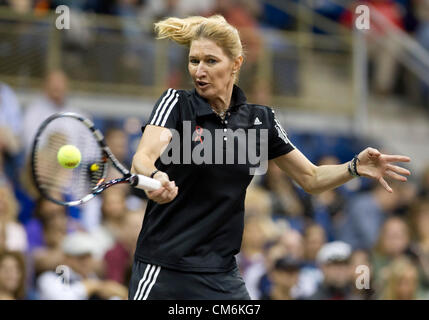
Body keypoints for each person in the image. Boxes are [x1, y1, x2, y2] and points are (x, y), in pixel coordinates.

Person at [129, 14, 411, 300]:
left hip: (221, 275)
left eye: (211, 61)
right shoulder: (176, 104)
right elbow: (143, 157)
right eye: (194, 61)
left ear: (236, 64)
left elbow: (311, 178)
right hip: (163, 268)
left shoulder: (260, 120)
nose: (199, 71)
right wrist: (154, 176)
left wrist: (353, 167)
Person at [36, 232, 128, 300]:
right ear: (66, 258)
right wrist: (92, 286)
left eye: (89, 257)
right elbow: (63, 297)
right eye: (80, 258)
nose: (86, 262)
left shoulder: (96, 281)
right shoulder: (48, 278)